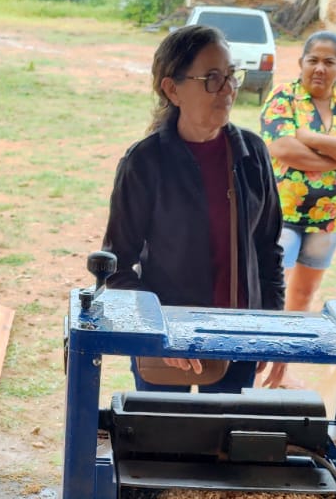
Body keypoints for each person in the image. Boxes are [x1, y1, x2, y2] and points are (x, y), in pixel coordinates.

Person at [101, 24, 286, 391]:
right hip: (167, 345)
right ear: (172, 89)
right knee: (166, 444)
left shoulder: (251, 154)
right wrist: (159, 327)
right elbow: (116, 264)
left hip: (238, 338)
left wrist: (271, 327)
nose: (229, 89)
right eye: (212, 78)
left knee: (226, 445)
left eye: (231, 75)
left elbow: (268, 249)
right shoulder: (145, 162)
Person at [259, 30, 336, 312]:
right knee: (274, 291)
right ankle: (264, 352)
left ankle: (283, 356)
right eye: (313, 60)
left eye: (329, 62)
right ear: (301, 62)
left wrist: (311, 139)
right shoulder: (283, 97)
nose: (320, 68)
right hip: (282, 214)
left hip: (328, 219)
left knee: (302, 295)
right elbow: (283, 148)